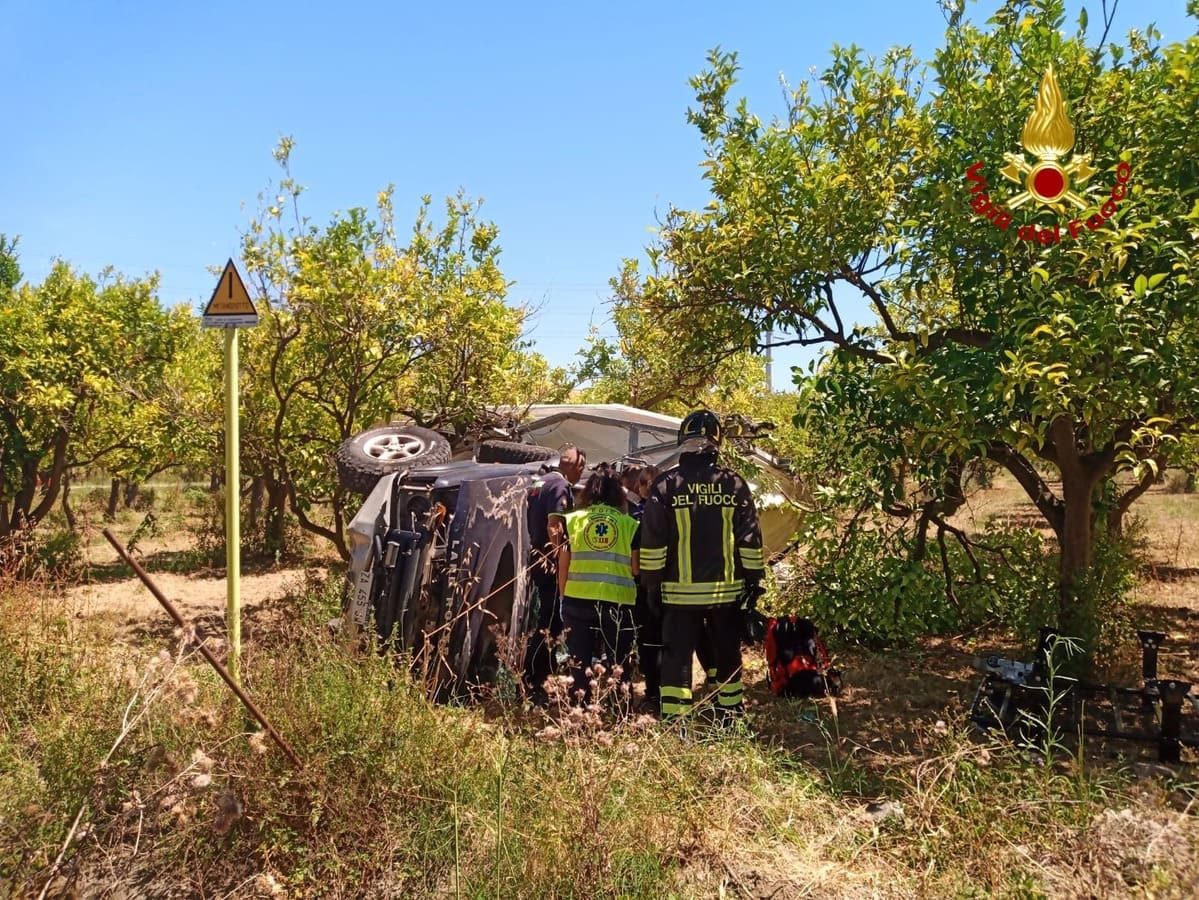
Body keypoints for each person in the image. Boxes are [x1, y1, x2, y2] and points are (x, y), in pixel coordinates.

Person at [639, 411, 765, 722]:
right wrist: (753, 582)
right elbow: (749, 539)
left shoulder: (666, 485)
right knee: (726, 655)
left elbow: (653, 542)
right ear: (717, 443)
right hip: (726, 594)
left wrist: (651, 586)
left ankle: (675, 723)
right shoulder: (733, 484)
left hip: (679, 596)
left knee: (677, 658)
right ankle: (730, 717)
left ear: (682, 440)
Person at [554, 464, 640, 702]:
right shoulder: (629, 525)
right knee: (618, 662)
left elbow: (564, 565)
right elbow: (635, 567)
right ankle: (620, 708)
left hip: (578, 600)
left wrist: (564, 598)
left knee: (578, 662)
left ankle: (579, 709)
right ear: (618, 494)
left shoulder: (572, 521)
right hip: (618, 603)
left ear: (589, 492)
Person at [523, 444, 587, 704]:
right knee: (550, 623)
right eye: (581, 469)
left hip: (534, 557)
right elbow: (554, 526)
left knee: (543, 620)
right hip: (548, 563)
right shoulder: (560, 486)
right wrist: (562, 556)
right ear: (576, 466)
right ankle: (535, 680)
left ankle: (533, 677)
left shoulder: (541, 481)